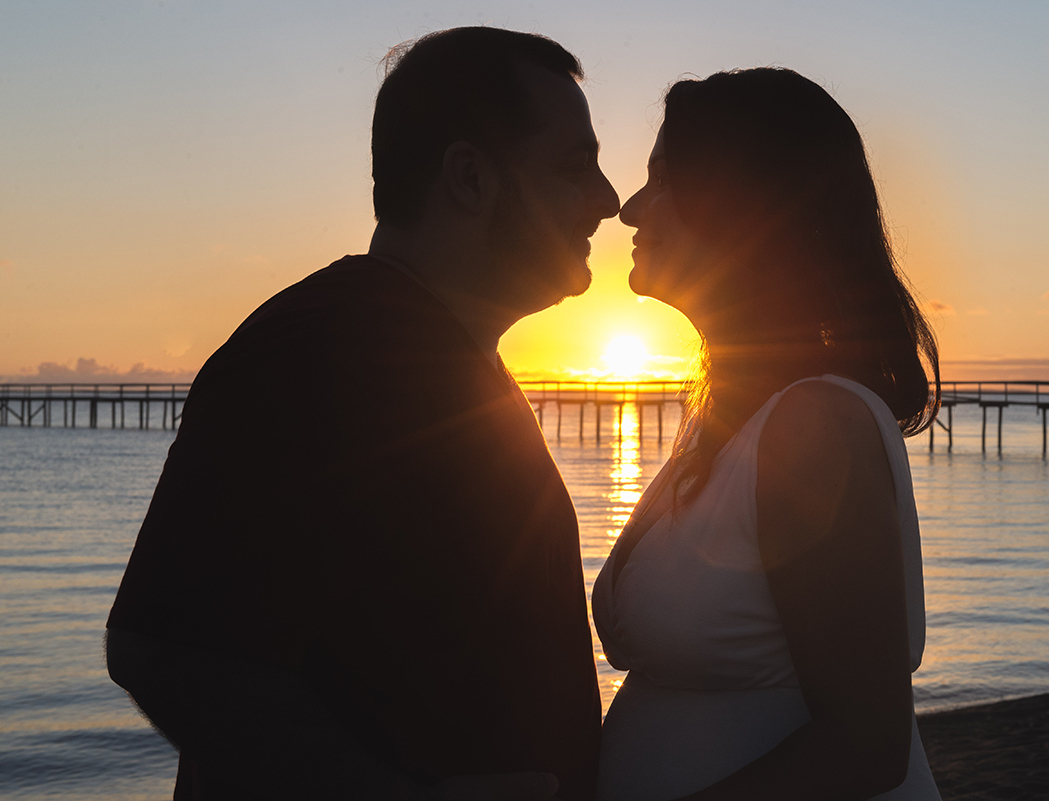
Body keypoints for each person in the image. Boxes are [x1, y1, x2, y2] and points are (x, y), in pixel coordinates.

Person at [105, 27, 619, 800]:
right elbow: (164, 644)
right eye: (575, 167)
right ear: (471, 178)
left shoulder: (448, 354)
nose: (608, 200)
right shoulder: (322, 350)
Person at [592, 67, 943, 801]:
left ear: (736, 205)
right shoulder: (726, 419)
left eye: (662, 179)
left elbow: (866, 745)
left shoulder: (814, 426)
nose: (630, 208)